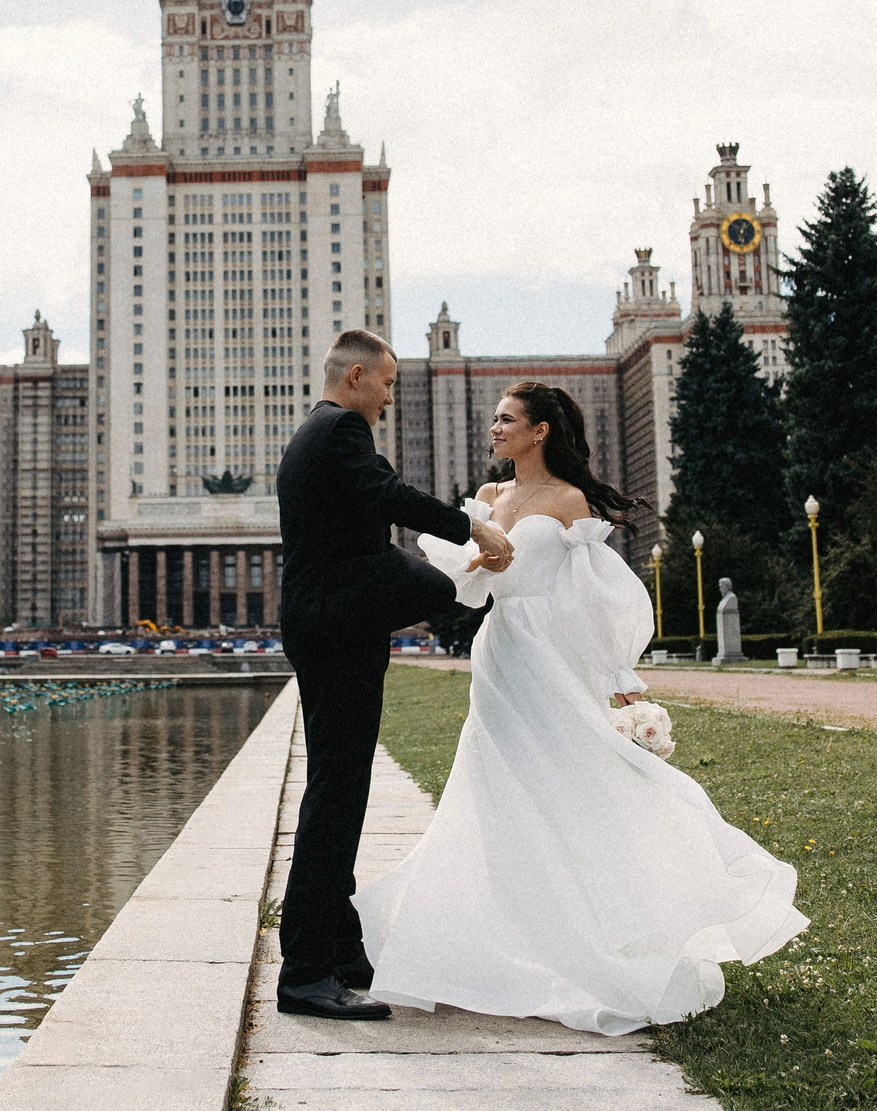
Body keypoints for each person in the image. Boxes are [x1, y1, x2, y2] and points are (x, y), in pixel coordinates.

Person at [353, 381, 807, 1032]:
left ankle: (619, 917)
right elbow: (468, 590)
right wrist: (478, 560)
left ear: (540, 430)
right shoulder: (487, 498)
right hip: (500, 656)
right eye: (495, 419)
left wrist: (621, 679)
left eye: (508, 419)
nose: (495, 427)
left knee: (573, 778)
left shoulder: (568, 501)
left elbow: (596, 598)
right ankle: (493, 934)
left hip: (551, 658)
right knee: (494, 791)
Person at [273, 328, 515, 1020]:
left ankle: (342, 951)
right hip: (340, 630)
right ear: (353, 377)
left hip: (321, 626)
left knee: (337, 792)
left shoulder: (309, 435)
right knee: (335, 798)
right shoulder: (344, 429)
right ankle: (306, 972)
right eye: (385, 381)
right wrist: (472, 529)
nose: (388, 396)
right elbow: (387, 495)